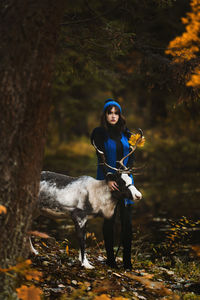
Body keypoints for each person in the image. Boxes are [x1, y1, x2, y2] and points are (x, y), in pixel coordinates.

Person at [91, 98, 135, 270]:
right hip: (107, 181)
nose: (113, 116)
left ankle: (127, 262)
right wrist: (108, 179)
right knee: (109, 220)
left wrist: (128, 176)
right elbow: (100, 158)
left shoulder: (127, 133)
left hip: (125, 181)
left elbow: (132, 157)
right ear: (105, 115)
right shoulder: (99, 133)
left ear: (119, 115)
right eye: (110, 112)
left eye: (116, 113)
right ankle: (110, 260)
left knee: (127, 222)